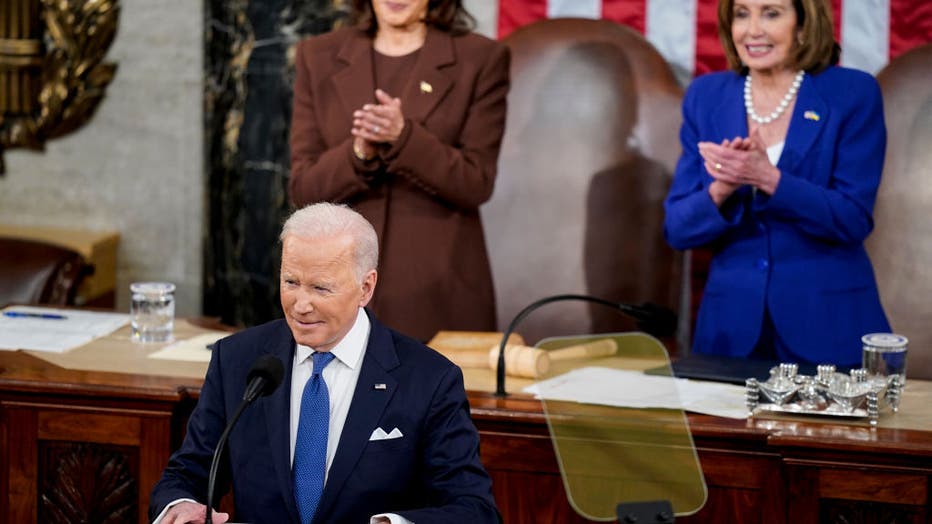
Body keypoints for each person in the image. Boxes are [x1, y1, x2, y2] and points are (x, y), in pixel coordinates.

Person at [149, 203, 499, 523]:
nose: (301, 305)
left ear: (366, 287)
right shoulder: (237, 360)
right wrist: (180, 506)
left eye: (320, 288)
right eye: (291, 282)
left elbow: (474, 509)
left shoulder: (429, 379)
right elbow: (187, 474)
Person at [663, 0, 890, 367]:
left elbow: (853, 219)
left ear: (803, 24)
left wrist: (768, 178)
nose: (753, 30)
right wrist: (722, 187)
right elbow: (677, 228)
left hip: (826, 329)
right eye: (742, 14)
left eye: (771, 13)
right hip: (729, 335)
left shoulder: (851, 93)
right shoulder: (707, 96)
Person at [288, 0, 509, 342]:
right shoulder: (318, 56)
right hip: (337, 291)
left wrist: (404, 138)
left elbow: (476, 182)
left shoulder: (480, 58)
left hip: (438, 290)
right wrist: (358, 153)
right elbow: (304, 188)